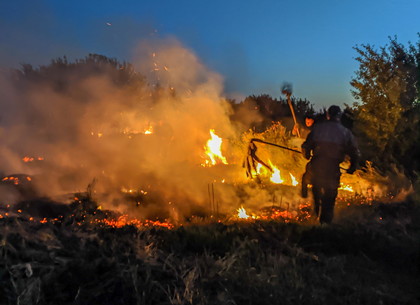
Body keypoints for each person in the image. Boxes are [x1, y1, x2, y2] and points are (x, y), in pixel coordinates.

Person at [301, 105, 360, 224]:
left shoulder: (318, 129)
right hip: (332, 169)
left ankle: (315, 215)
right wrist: (352, 167)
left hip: (317, 166)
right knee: (329, 196)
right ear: (339, 116)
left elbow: (305, 146)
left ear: (328, 115)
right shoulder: (345, 132)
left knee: (316, 191)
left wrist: (307, 155)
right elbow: (355, 152)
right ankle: (325, 223)